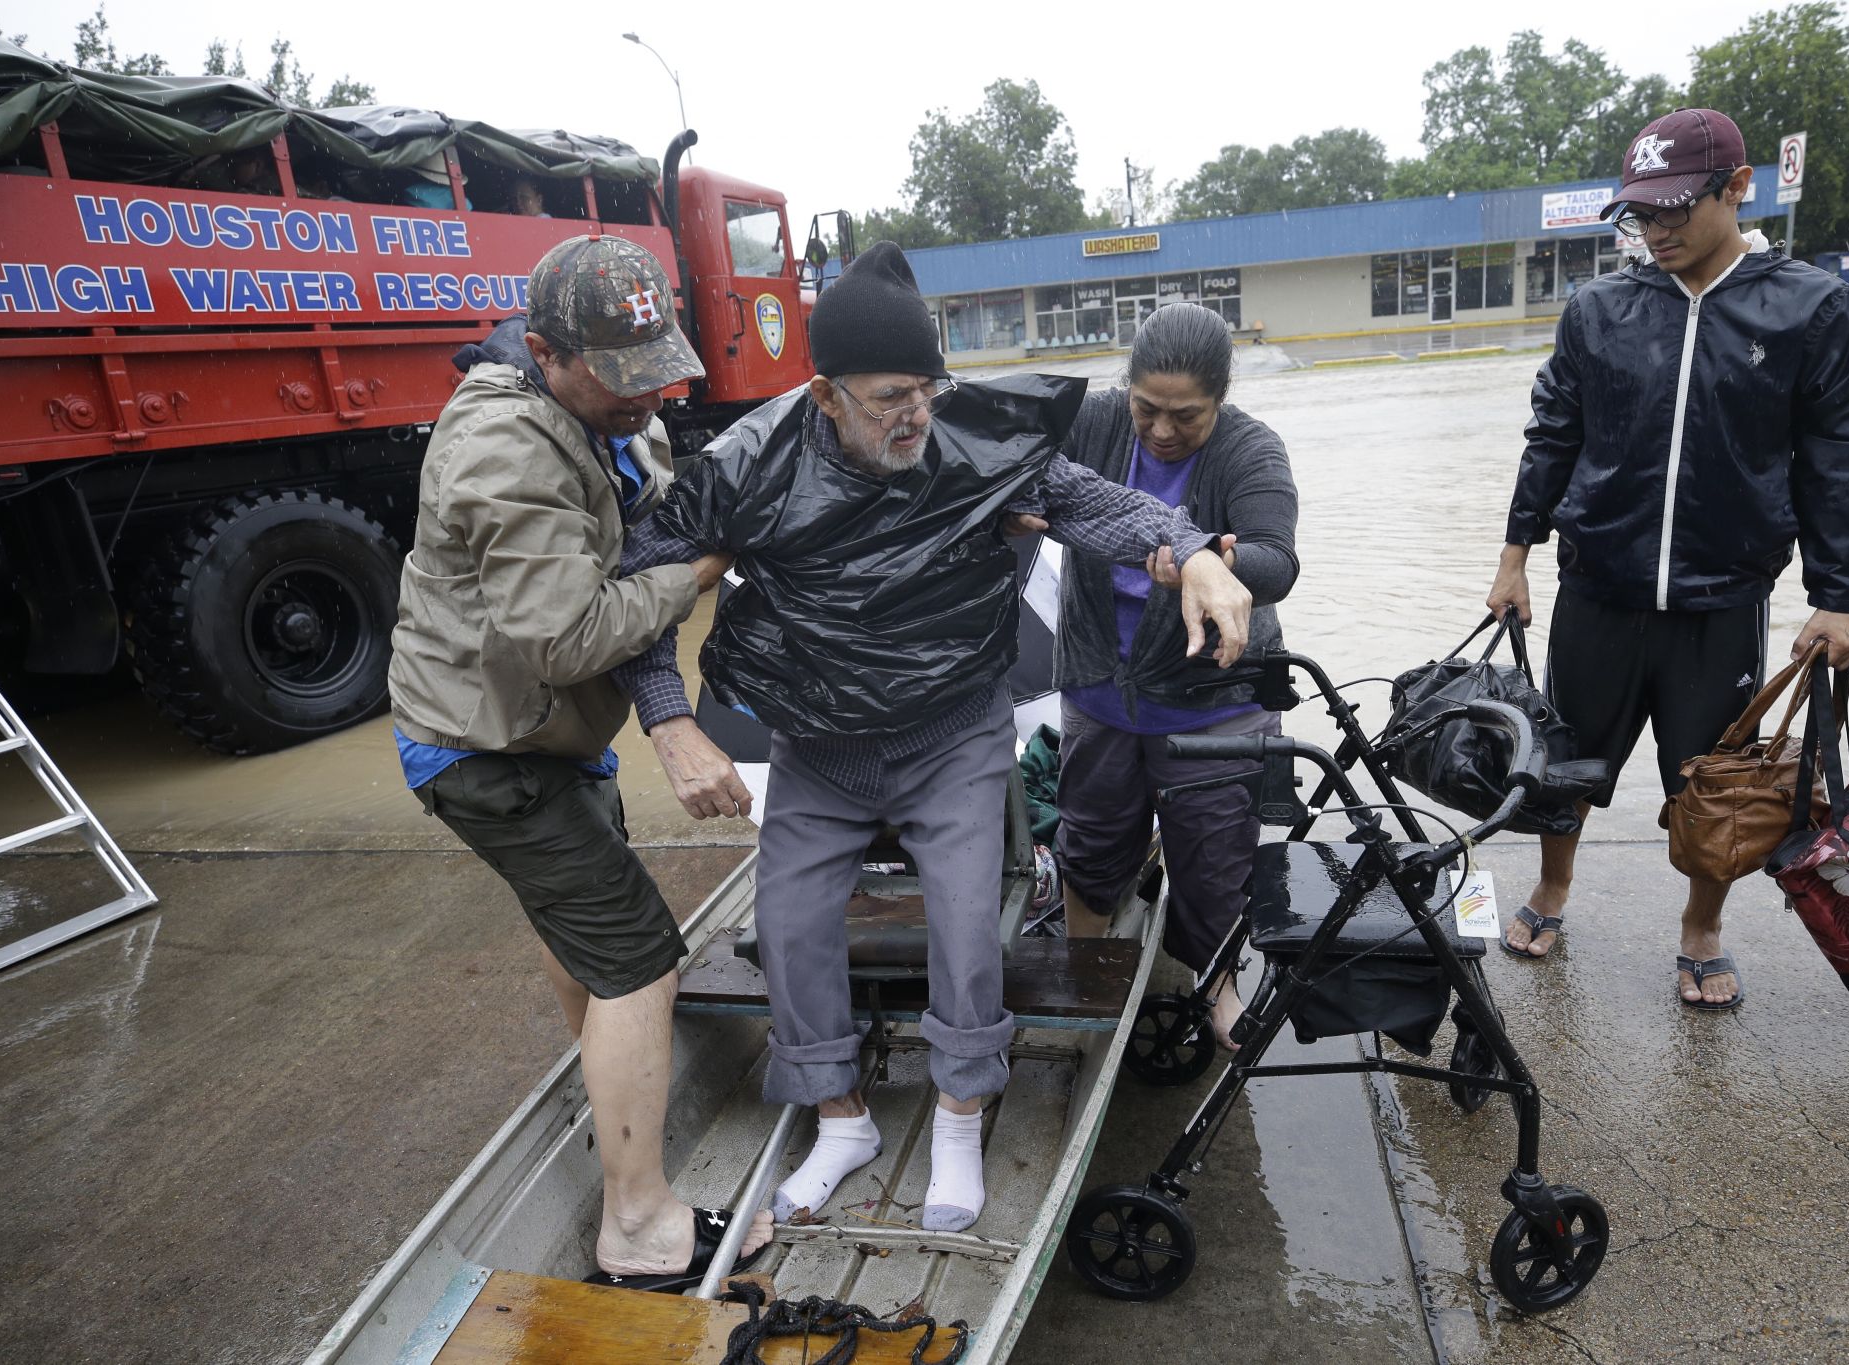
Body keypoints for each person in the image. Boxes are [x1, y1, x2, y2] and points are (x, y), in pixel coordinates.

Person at [613, 242, 1253, 1233]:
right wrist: (668, 724)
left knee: (964, 927)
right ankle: (841, 1121)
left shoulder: (976, 438)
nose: (916, 412)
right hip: (818, 746)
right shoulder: (747, 461)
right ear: (825, 396)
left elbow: (1093, 502)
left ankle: (958, 1123)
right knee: (787, 930)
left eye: (927, 386)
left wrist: (1186, 554)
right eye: (888, 397)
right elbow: (637, 588)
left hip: (952, 731)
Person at [388, 234, 773, 1290]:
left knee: (588, 937)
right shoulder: (503, 450)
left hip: (536, 734)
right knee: (642, 958)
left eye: (660, 373)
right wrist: (699, 572)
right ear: (547, 351)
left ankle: (611, 1099)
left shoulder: (599, 413)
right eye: (623, 380)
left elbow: (650, 515)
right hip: (489, 753)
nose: (648, 402)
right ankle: (639, 1224)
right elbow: (563, 638)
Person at [1484, 108, 1849, 1009]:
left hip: (1722, 601)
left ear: (1738, 188)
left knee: (1717, 786)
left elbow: (1840, 457)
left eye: (1675, 210)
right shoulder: (1598, 311)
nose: (1656, 232)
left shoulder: (1811, 310)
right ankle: (1552, 890)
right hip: (1598, 589)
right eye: (1640, 215)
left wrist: (1841, 597)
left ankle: (1700, 927)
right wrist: (1516, 555)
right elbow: (1553, 436)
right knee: (1564, 763)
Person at [1042, 302, 1300, 1051]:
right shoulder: (1089, 424)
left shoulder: (1252, 451)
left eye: (1185, 416)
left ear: (1221, 398)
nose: (1160, 430)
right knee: (1090, 844)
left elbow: (1277, 561)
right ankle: (1086, 966)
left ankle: (1217, 982)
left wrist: (1217, 561)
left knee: (1215, 860)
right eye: (1145, 408)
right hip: (1100, 688)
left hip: (1212, 704)